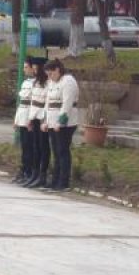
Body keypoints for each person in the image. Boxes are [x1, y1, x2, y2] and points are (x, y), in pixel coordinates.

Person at [42, 58, 79, 191]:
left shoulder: (68, 81)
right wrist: (45, 121)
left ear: (57, 69)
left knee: (63, 151)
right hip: (52, 121)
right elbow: (48, 103)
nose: (50, 77)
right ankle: (55, 180)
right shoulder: (52, 82)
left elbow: (67, 104)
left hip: (66, 123)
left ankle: (63, 181)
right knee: (56, 152)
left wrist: (60, 122)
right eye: (48, 75)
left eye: (51, 73)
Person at [22, 56, 50, 188]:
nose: (33, 70)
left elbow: (46, 103)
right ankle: (35, 173)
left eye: (35, 68)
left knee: (43, 147)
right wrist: (30, 119)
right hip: (35, 117)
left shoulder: (48, 83)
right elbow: (33, 103)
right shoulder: (35, 83)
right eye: (32, 67)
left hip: (43, 118)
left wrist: (44, 120)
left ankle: (42, 174)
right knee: (36, 147)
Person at [12, 57, 37, 184]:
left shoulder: (37, 83)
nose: (24, 69)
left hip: (29, 118)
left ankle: (30, 172)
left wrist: (30, 120)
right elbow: (21, 103)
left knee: (30, 146)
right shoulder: (25, 82)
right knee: (24, 146)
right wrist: (16, 119)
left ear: (33, 68)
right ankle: (24, 170)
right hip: (22, 117)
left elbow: (33, 104)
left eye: (26, 67)